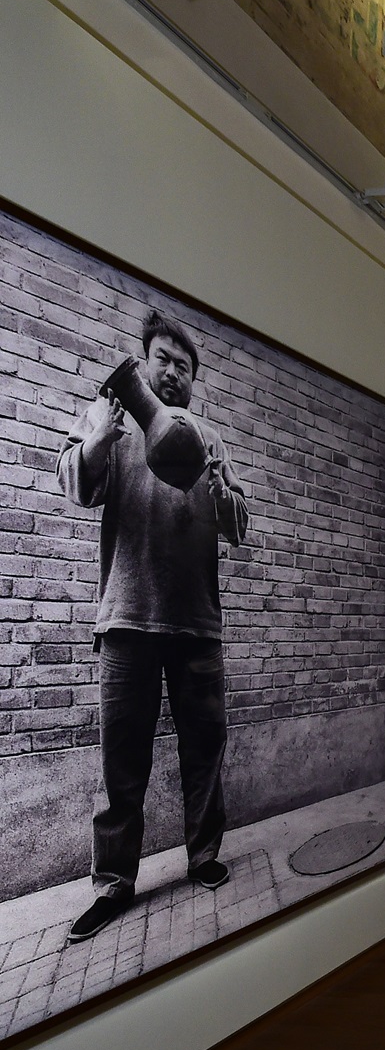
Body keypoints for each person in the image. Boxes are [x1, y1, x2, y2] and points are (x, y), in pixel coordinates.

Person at [58, 309, 250, 944]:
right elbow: (75, 483)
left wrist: (222, 493)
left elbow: (239, 524)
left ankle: (204, 855)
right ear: (145, 365)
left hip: (197, 625)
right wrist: (98, 440)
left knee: (204, 750)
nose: (172, 372)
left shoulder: (210, 437)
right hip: (126, 621)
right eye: (162, 359)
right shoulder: (110, 418)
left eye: (184, 366)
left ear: (194, 379)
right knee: (122, 761)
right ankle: (113, 881)